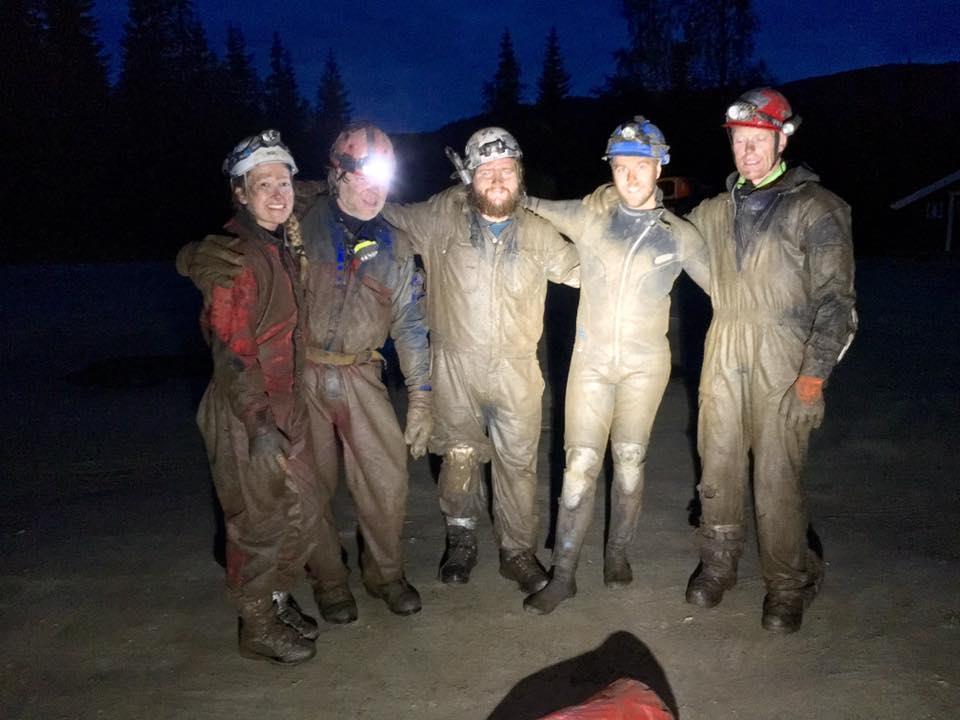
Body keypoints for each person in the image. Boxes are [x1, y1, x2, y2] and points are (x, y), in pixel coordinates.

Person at [178, 123, 432, 622]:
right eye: (360, 177)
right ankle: (330, 582)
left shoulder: (397, 245)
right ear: (336, 176)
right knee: (308, 487)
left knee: (387, 480)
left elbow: (413, 326)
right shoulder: (301, 214)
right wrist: (191, 256)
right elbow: (240, 235)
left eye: (383, 177)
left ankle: (387, 575)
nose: (373, 189)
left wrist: (421, 397)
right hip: (302, 371)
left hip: (363, 374)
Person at [683, 88, 857, 633]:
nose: (748, 152)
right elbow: (665, 235)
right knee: (719, 463)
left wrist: (813, 376)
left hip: (784, 357)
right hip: (725, 347)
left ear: (782, 138)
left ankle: (787, 584)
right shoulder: (716, 210)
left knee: (778, 477)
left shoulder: (817, 207)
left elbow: (838, 302)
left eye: (759, 140)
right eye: (740, 141)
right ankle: (718, 565)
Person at [519, 117, 710, 614]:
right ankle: (563, 574)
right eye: (620, 166)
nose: (629, 177)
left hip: (645, 369)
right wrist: (491, 184)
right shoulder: (588, 215)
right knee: (580, 466)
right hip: (591, 364)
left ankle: (617, 552)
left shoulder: (680, 235)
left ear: (659, 167)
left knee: (628, 464)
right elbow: (527, 204)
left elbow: (729, 292)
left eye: (640, 166)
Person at [380, 128, 580, 594]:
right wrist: (319, 193)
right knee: (460, 457)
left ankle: (517, 552)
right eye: (486, 171)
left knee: (518, 465)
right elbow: (375, 211)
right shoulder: (439, 217)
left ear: (519, 175)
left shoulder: (537, 231)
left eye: (506, 170)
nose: (497, 179)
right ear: (469, 175)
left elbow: (583, 272)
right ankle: (462, 537)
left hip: (517, 370)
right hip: (454, 367)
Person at [196, 129, 317, 664]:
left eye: (283, 180)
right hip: (245, 409)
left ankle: (273, 599)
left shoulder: (278, 238)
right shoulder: (236, 256)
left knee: (290, 513)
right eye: (261, 183)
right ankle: (256, 627)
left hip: (280, 403)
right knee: (257, 521)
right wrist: (259, 423)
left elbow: (327, 188)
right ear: (239, 194)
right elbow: (232, 351)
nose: (277, 191)